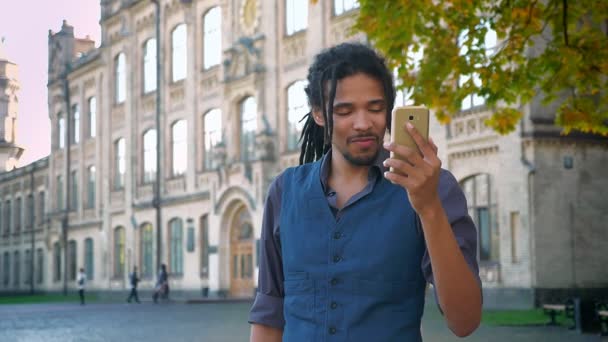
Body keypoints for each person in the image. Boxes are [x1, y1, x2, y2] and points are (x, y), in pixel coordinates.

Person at [249, 43, 482, 342]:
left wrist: (429, 208)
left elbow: (465, 321)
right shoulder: (285, 191)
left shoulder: (433, 186)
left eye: (375, 108)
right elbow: (270, 312)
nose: (363, 123)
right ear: (319, 114)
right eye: (344, 111)